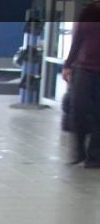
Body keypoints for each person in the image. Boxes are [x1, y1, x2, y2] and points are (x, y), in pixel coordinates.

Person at [62, 0, 100, 167]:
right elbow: (77, 40)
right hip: (84, 68)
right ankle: (79, 150)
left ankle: (94, 156)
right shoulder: (88, 12)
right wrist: (67, 64)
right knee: (78, 109)